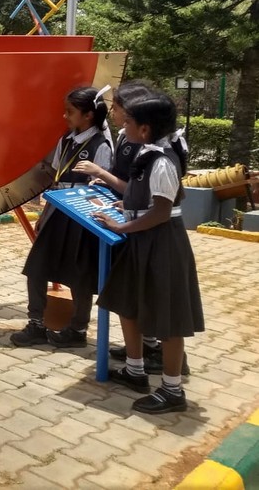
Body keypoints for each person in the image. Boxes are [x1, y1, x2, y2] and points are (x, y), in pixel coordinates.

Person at [94, 92, 203, 413]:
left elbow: (160, 211)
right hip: (143, 240)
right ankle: (135, 369)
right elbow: (147, 198)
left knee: (166, 317)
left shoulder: (162, 160)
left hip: (161, 242)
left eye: (127, 121)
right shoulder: (151, 152)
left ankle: (172, 390)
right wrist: (126, 204)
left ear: (144, 129)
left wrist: (121, 228)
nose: (122, 126)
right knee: (128, 304)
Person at [10, 86, 112, 349]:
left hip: (81, 215)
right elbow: (56, 177)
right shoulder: (66, 140)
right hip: (58, 209)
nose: (65, 116)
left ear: (88, 115)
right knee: (37, 267)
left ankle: (77, 329)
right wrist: (44, 213)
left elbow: (102, 188)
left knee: (79, 274)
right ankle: (36, 324)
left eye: (70, 112)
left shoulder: (101, 145)